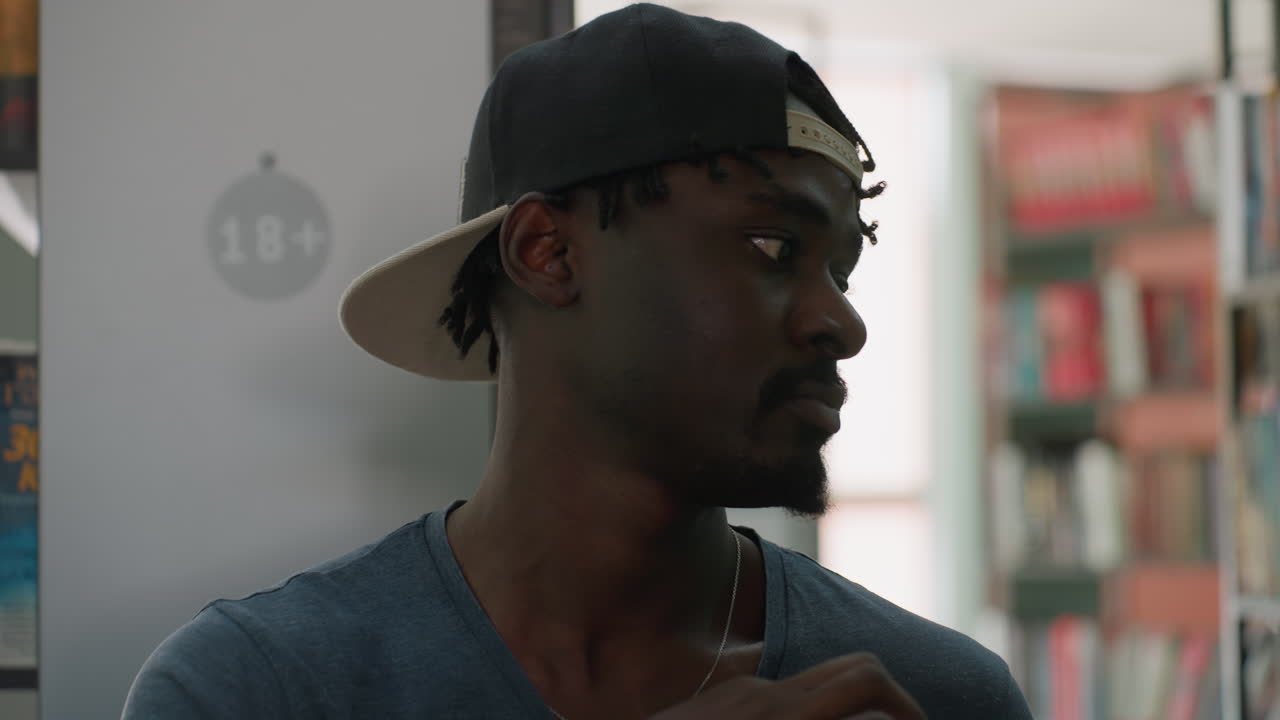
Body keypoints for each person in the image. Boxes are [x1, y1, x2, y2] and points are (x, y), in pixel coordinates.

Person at [123, 4, 1033, 718]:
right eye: (770, 245)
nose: (843, 323)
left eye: (841, 268)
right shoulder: (261, 690)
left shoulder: (934, 696)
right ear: (548, 254)